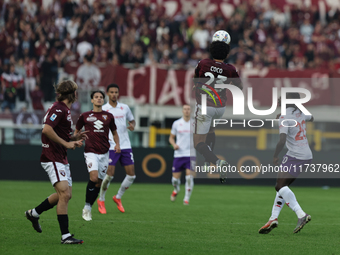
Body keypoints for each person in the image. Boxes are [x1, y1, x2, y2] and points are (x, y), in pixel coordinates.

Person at [25, 80, 88, 244]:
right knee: (64, 194)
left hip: (60, 157)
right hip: (52, 156)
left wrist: (73, 138)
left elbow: (60, 132)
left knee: (66, 195)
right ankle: (65, 236)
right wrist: (67, 143)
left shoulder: (63, 109)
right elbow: (47, 129)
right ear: (72, 94)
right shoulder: (59, 108)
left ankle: (34, 213)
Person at [259, 93, 313, 234]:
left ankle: (301, 214)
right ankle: (273, 218)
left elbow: (282, 141)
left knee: (280, 186)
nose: (277, 100)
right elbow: (311, 117)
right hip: (305, 155)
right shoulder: (300, 113)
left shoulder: (284, 117)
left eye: (280, 99)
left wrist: (275, 155)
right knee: (283, 187)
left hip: (296, 156)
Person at [193, 31, 243, 183]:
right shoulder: (231, 69)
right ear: (227, 52)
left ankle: (216, 162)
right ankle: (210, 162)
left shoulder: (203, 63)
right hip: (220, 107)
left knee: (198, 143)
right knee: (211, 130)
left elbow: (196, 79)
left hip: (204, 105)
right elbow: (239, 87)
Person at [74, 90, 120, 221]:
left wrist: (117, 145)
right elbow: (76, 131)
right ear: (92, 100)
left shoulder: (109, 116)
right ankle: (87, 208)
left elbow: (115, 132)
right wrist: (77, 139)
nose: (99, 99)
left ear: (103, 100)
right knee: (93, 178)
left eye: (101, 97)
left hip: (105, 152)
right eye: (96, 97)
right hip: (90, 151)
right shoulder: (85, 116)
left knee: (99, 182)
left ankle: (89, 205)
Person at [98, 84, 136, 214]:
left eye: (116, 92)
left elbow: (132, 121)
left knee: (131, 175)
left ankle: (118, 197)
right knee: (109, 175)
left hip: (126, 145)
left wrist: (132, 126)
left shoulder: (124, 108)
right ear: (107, 93)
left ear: (118, 94)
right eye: (111, 92)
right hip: (111, 146)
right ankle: (101, 199)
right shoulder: (103, 109)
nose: (114, 94)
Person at [169, 104, 196, 205]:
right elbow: (171, 138)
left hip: (191, 154)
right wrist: (174, 144)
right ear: (182, 111)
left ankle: (186, 199)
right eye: (185, 109)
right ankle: (176, 189)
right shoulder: (177, 123)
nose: (187, 111)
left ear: (191, 111)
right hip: (179, 154)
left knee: (189, 178)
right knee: (175, 180)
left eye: (188, 109)